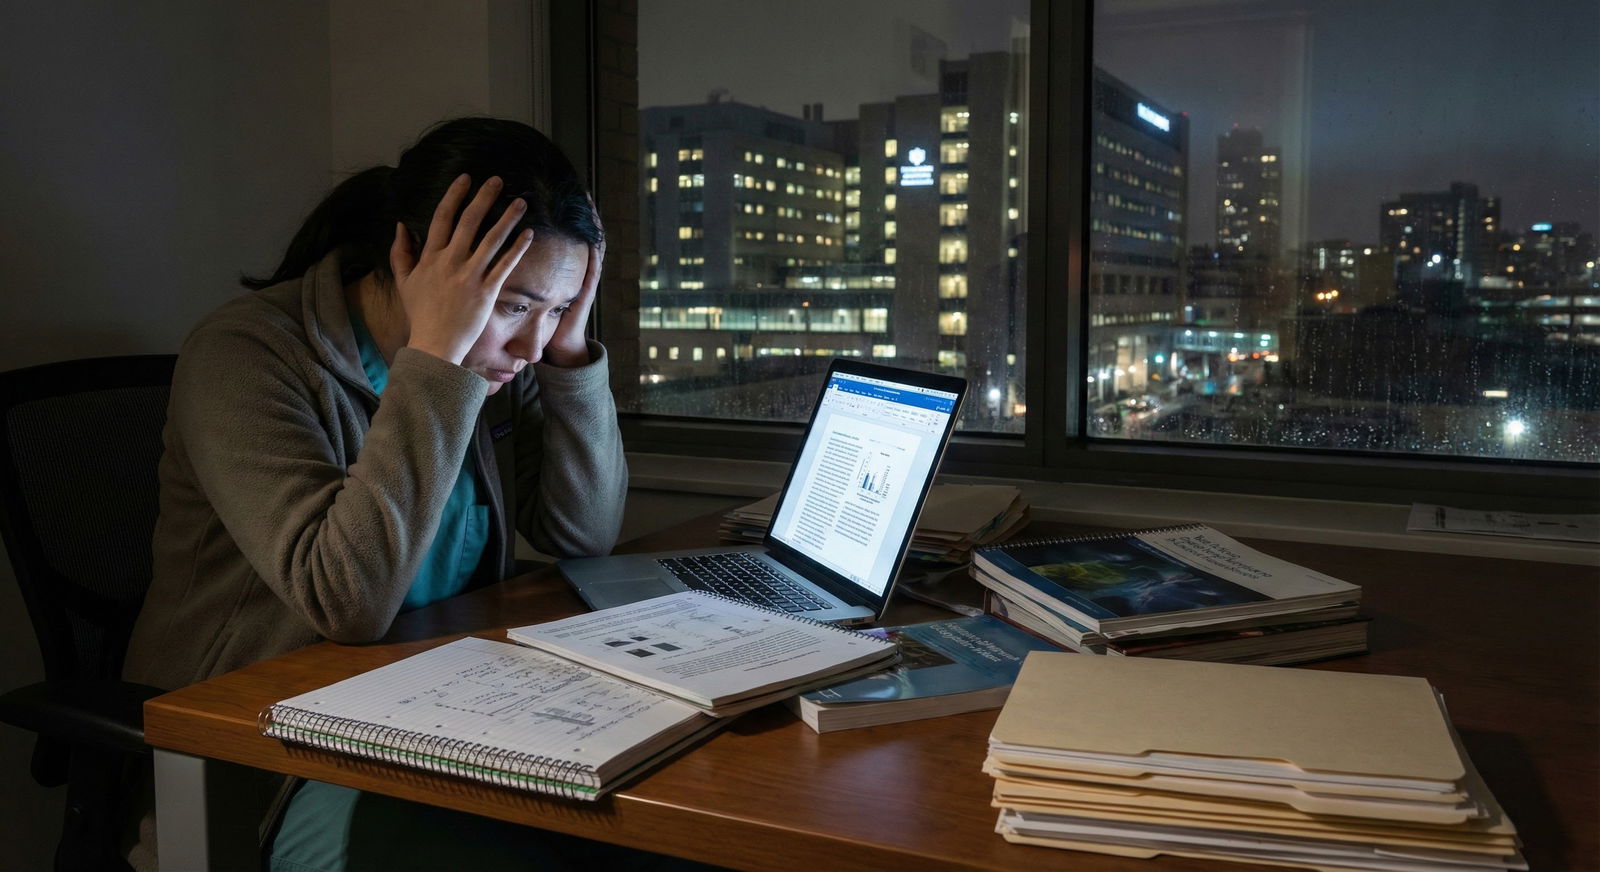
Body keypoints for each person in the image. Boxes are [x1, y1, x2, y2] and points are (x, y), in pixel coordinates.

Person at [121, 118, 660, 871]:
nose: (531, 348)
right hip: (266, 751)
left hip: (445, 705)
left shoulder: (510, 360)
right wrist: (437, 358)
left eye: (559, 310)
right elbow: (347, 601)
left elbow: (584, 532)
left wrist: (571, 357)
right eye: (513, 306)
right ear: (412, 261)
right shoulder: (246, 355)